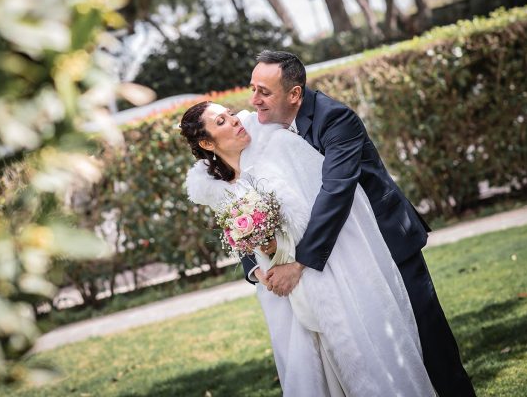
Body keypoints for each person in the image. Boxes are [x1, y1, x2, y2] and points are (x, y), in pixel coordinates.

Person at [244, 50, 475, 397]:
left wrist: (300, 263)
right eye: (252, 89)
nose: (254, 100)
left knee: (429, 346)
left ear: (294, 94)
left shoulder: (335, 119)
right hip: (340, 262)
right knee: (377, 354)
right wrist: (255, 266)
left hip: (388, 244)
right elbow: (248, 197)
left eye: (264, 91)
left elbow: (336, 191)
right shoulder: (262, 131)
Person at [181, 100, 435, 396]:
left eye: (231, 114)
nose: (235, 120)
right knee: (316, 374)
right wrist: (259, 272)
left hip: (324, 273)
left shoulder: (277, 147)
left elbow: (324, 207)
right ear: (206, 142)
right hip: (283, 295)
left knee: (358, 357)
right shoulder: (220, 190)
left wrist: (292, 257)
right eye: (221, 121)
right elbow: (242, 239)